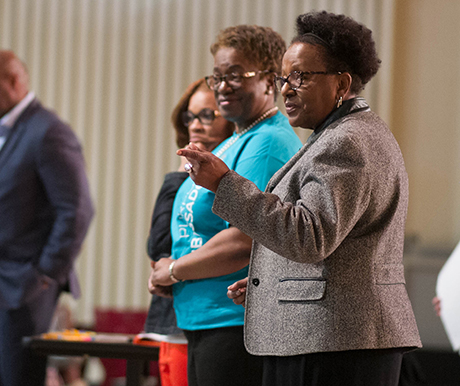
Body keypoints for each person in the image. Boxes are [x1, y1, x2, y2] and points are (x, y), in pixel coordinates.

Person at [178, 11, 422, 386]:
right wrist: (273, 278)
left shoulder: (346, 141)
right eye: (283, 78)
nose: (286, 89)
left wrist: (224, 182)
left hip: (335, 341)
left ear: (341, 83)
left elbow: (310, 236)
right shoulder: (343, 134)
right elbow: (336, 242)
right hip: (330, 334)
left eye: (300, 77)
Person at [150, 25, 303, 386]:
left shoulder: (266, 143)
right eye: (217, 76)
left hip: (232, 322)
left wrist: (174, 271)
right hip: (205, 317)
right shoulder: (234, 140)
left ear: (269, 80)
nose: (221, 86)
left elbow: (244, 238)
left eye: (235, 75)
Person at [0, 49, 94, 386]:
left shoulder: (48, 132)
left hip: (23, 286)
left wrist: (43, 275)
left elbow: (77, 209)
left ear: (14, 81)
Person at [144, 78, 234, 386]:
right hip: (179, 315)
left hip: (226, 316)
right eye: (190, 117)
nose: (196, 125)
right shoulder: (175, 183)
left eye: (207, 115)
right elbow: (158, 251)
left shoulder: (244, 176)